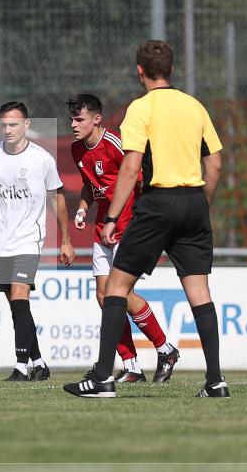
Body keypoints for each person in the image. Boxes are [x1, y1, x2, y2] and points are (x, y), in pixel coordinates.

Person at [64, 40, 227, 399]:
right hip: (193, 202)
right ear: (171, 70)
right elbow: (214, 163)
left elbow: (131, 167)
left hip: (157, 203)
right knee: (200, 293)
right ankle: (215, 382)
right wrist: (203, 205)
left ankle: (104, 379)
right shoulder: (194, 105)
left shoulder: (140, 109)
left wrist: (109, 217)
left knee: (116, 288)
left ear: (140, 71)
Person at [68, 93, 179, 383]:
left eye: (79, 119)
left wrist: (145, 220)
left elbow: (138, 179)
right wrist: (82, 208)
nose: (73, 124)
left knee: (123, 295)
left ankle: (165, 348)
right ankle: (131, 365)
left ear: (96, 119)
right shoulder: (77, 150)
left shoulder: (116, 144)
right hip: (101, 229)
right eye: (71, 118)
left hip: (127, 226)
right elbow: (89, 186)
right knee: (104, 297)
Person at [0, 102, 75, 382]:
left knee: (20, 295)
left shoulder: (42, 159)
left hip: (29, 240)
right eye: (4, 125)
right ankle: (39, 362)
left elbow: (56, 198)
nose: (8, 130)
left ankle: (21, 366)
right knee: (15, 303)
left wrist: (66, 240)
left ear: (26, 125)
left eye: (14, 124)